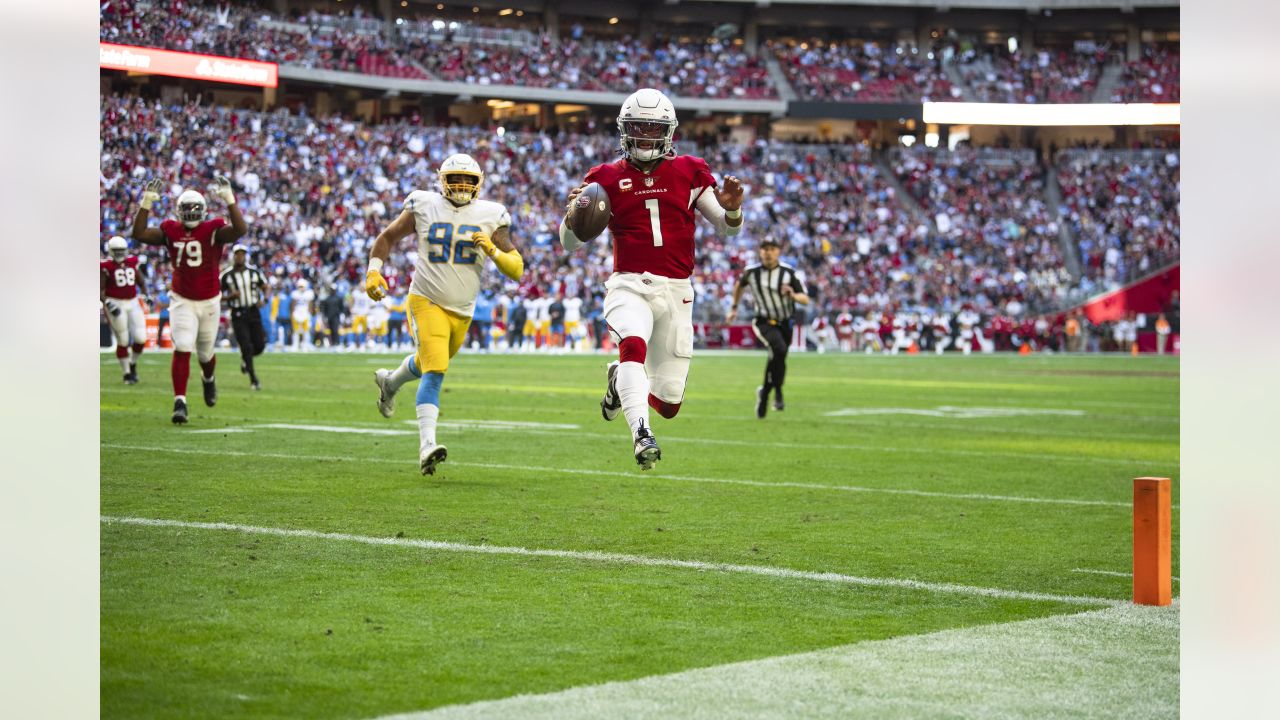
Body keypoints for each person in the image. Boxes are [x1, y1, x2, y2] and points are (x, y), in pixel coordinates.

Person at [561, 88, 744, 469]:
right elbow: (570, 244)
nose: (645, 136)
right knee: (632, 344)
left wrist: (733, 211)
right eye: (638, 128)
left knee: (669, 402)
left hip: (677, 290)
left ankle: (618, 382)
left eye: (652, 128)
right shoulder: (605, 178)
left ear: (668, 132)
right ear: (624, 131)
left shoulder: (690, 170)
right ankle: (640, 434)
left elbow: (727, 229)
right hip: (629, 284)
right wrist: (572, 216)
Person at [367, 153, 525, 475]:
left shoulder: (491, 214)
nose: (462, 185)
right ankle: (427, 445)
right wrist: (374, 271)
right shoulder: (423, 204)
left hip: (462, 311)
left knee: (427, 361)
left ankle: (390, 382)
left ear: (479, 183)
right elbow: (387, 237)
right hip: (426, 299)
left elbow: (517, 269)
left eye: (468, 179)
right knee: (436, 369)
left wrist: (492, 250)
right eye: (456, 179)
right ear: (442, 180)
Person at [131, 175, 246, 423]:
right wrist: (146, 202)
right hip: (182, 299)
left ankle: (208, 379)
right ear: (178, 211)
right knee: (183, 346)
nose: (191, 213)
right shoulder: (171, 230)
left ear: (203, 211)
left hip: (210, 301)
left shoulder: (212, 229)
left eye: (195, 208)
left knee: (205, 354)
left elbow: (240, 230)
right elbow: (138, 233)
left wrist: (229, 200)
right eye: (187, 208)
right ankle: (179, 401)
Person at [730, 239, 809, 418]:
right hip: (763, 321)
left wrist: (792, 294)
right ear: (760, 252)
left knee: (779, 356)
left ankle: (769, 390)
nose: (768, 253)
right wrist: (734, 307)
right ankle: (772, 394)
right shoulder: (751, 272)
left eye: (772, 249)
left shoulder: (788, 273)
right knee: (778, 349)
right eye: (765, 249)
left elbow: (805, 299)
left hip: (785, 322)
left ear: (778, 252)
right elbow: (739, 286)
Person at [219, 244, 268, 390]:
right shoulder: (226, 275)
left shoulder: (254, 272)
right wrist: (229, 297)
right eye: (237, 254)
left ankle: (245, 360)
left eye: (242, 254)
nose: (240, 257)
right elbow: (216, 294)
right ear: (233, 256)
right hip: (238, 313)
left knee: (259, 346)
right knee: (246, 345)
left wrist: (264, 299)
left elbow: (266, 287)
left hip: (253, 311)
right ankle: (254, 379)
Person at [101, 236, 149, 384]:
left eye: (122, 250)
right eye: (117, 251)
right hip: (115, 302)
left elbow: (140, 281)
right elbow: (100, 289)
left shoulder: (132, 262)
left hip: (133, 302)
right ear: (110, 251)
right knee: (123, 339)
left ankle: (133, 363)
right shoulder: (106, 266)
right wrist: (108, 303)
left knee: (141, 337)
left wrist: (146, 295)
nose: (120, 253)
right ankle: (127, 373)